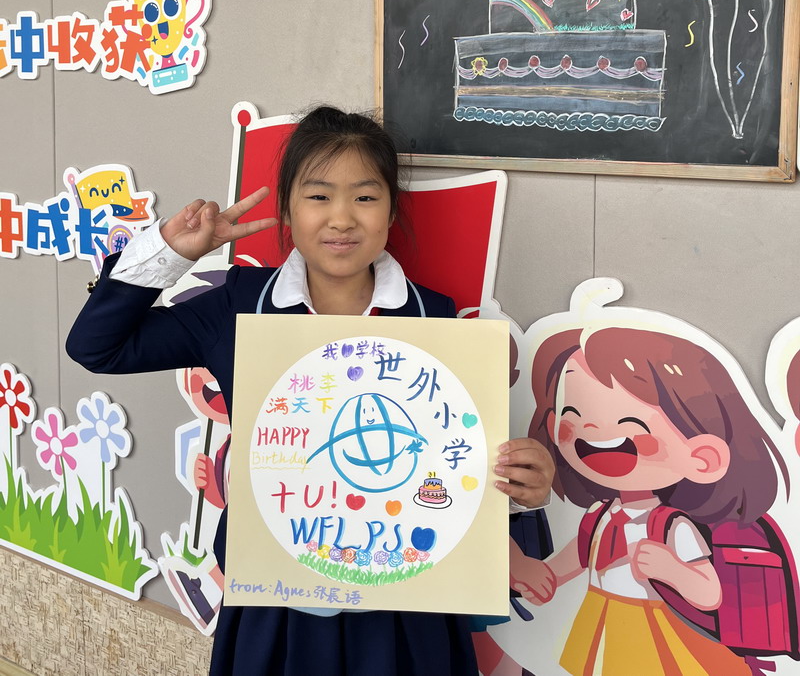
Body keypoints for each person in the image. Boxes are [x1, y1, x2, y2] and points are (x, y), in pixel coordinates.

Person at [67, 105, 555, 676]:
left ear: (391, 210)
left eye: (365, 197)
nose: (341, 218)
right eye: (319, 196)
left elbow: (453, 471)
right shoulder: (239, 305)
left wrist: (521, 487)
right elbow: (98, 347)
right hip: (277, 603)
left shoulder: (434, 319)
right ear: (288, 210)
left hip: (404, 611)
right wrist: (172, 254)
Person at [510, 324, 789, 676]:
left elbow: (709, 593)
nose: (590, 431)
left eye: (629, 424)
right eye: (572, 417)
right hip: (603, 628)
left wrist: (674, 571)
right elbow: (557, 572)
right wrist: (523, 568)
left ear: (703, 458)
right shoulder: (597, 518)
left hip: (661, 634)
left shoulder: (672, 524)